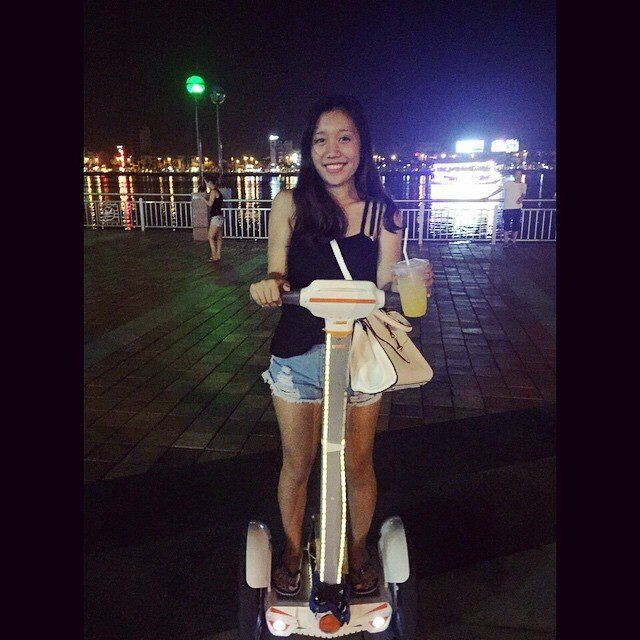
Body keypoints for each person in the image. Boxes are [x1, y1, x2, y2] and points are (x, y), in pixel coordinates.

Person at [249, 96, 434, 597]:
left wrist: (412, 283)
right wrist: (269, 284)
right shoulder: (290, 203)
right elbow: (277, 270)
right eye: (321, 140)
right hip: (298, 355)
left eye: (344, 138)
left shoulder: (384, 212)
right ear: (308, 149)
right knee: (298, 463)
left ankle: (357, 549)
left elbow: (386, 283)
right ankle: (292, 549)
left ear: (362, 145)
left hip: (358, 357)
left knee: (357, 462)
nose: (333, 151)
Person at [485, 168, 527, 244]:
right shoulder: (508, 183)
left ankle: (514, 241)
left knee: (516, 226)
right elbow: (499, 190)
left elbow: (524, 194)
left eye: (520, 174)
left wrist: (521, 198)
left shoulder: (523, 185)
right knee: (506, 225)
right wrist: (488, 196)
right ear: (514, 175)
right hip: (507, 207)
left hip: (517, 208)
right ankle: (506, 242)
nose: (519, 176)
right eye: (517, 174)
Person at [203, 173, 224, 261]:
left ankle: (214, 256)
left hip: (215, 218)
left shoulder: (213, 191)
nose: (206, 184)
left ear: (209, 182)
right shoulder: (218, 191)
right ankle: (218, 255)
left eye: (206, 182)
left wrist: (204, 199)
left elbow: (210, 204)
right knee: (219, 238)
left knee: (210, 237)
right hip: (220, 217)